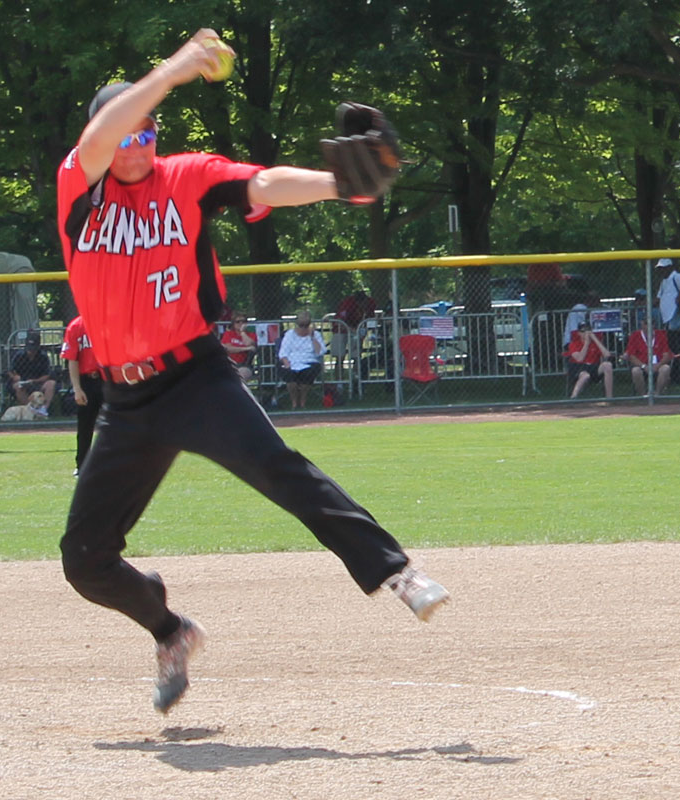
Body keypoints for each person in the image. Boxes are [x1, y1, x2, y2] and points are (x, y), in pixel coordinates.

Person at [55, 30, 448, 716]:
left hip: (193, 378)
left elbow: (262, 182)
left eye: (149, 133)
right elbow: (101, 139)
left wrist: (339, 184)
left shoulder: (185, 177)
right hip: (125, 398)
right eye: (127, 134)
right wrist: (172, 71)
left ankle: (396, 571)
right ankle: (172, 632)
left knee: (277, 467)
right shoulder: (80, 194)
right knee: (84, 560)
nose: (139, 144)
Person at [61, 314, 103, 475]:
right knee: (85, 425)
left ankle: (119, 464)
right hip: (87, 381)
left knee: (117, 423)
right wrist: (77, 388)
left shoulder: (110, 321)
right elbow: (72, 359)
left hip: (108, 378)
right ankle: (82, 465)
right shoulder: (76, 326)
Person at [655, 258, 680, 381]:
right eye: (660, 269)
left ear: (670, 267)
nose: (662, 271)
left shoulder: (675, 276)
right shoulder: (664, 281)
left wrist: (679, 296)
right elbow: (658, 298)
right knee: (671, 346)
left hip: (675, 317)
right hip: (667, 319)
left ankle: (679, 375)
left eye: (664, 268)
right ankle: (674, 373)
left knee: (677, 346)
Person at [278, 310, 326, 409]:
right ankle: (294, 403)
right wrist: (287, 364)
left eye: (306, 325)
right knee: (289, 376)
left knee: (308, 374)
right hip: (292, 362)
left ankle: (303, 401)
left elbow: (320, 352)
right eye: (301, 325)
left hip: (310, 361)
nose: (303, 328)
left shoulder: (315, 335)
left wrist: (313, 338)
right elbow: (283, 353)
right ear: (297, 324)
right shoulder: (290, 335)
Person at [8, 330, 55, 416]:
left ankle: (43, 410)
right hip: (23, 382)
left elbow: (47, 375)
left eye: (33, 348)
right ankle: (30, 411)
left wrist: (34, 381)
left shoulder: (43, 357)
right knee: (18, 386)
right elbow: (10, 371)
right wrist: (16, 377)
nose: (31, 351)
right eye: (29, 348)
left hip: (38, 382)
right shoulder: (19, 355)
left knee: (51, 384)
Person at [623, 316, 674, 396]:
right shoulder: (635, 335)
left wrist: (657, 366)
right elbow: (631, 356)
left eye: (652, 323)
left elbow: (666, 355)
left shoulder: (660, 334)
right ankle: (643, 395)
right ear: (642, 324)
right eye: (646, 323)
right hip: (642, 365)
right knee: (636, 371)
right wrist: (644, 366)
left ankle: (657, 394)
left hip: (657, 365)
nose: (649, 326)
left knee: (665, 368)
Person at [331, 290, 375, 379]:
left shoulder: (370, 303)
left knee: (356, 355)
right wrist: (353, 330)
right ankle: (339, 382)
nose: (363, 305)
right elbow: (339, 322)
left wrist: (363, 331)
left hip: (357, 329)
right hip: (341, 330)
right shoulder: (347, 304)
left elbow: (370, 319)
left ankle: (356, 378)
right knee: (340, 357)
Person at [566, 320, 614, 399]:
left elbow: (607, 355)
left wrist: (595, 339)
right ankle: (573, 397)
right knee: (585, 375)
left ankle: (609, 398)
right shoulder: (574, 344)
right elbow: (580, 359)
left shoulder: (595, 343)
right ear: (578, 333)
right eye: (583, 331)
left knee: (608, 365)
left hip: (593, 367)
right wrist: (586, 344)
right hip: (578, 367)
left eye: (588, 331)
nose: (586, 333)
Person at [220, 311, 257, 382]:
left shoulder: (251, 335)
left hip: (244, 365)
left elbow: (249, 344)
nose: (241, 323)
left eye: (243, 321)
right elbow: (228, 349)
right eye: (238, 322)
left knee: (241, 374)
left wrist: (242, 332)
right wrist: (245, 349)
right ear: (233, 324)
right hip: (228, 364)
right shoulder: (228, 334)